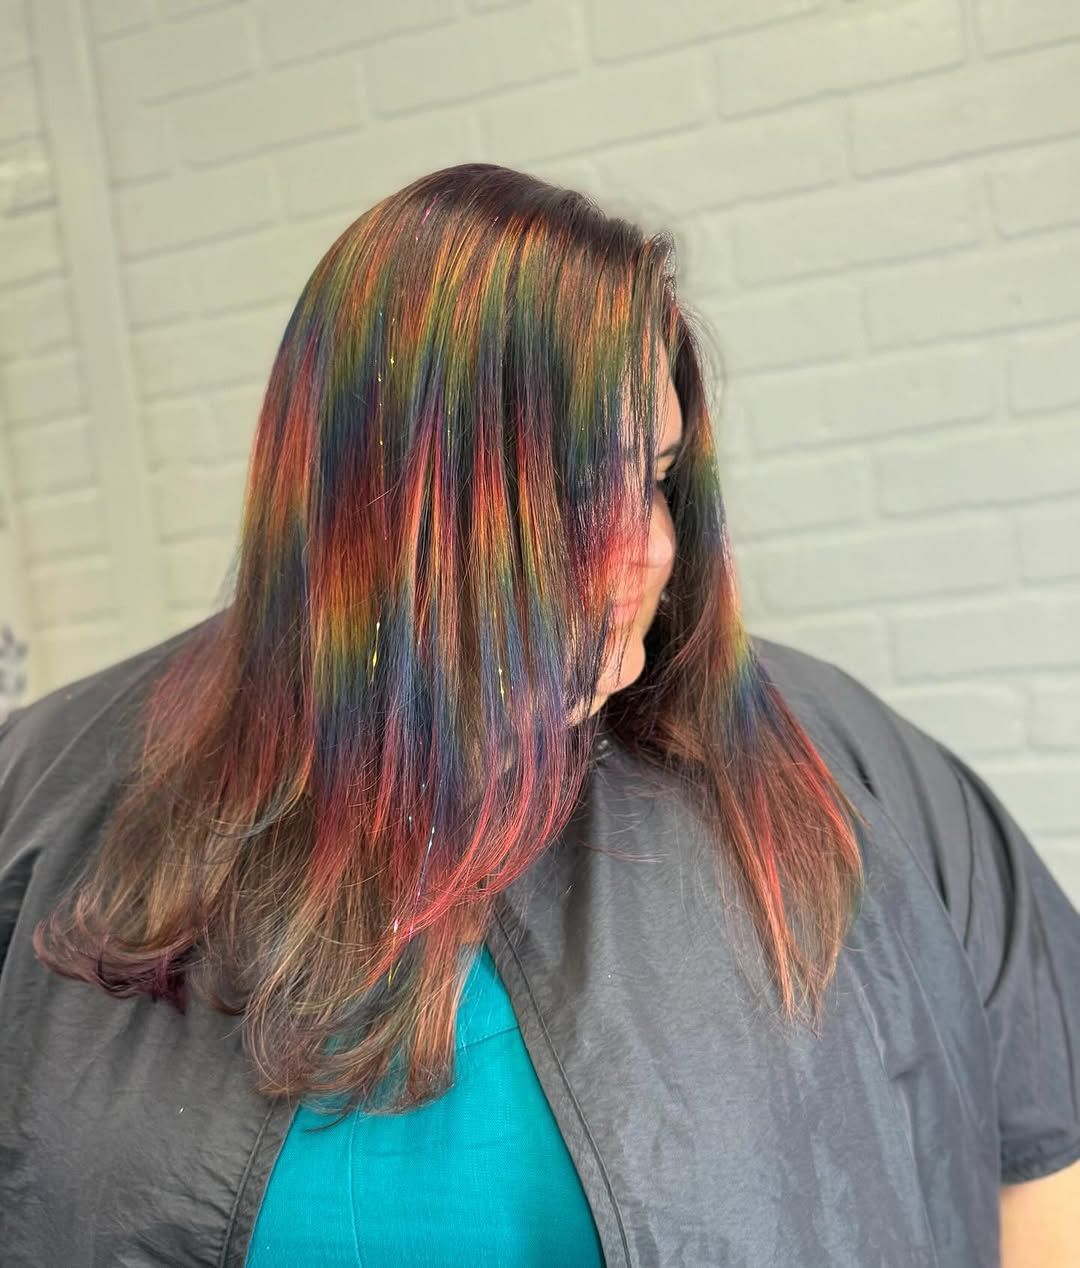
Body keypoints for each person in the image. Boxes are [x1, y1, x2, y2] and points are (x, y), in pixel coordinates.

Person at [1, 162, 1078, 1267]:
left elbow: (1051, 1152)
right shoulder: (49, 790)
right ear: (384, 498)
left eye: (655, 476)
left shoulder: (843, 765)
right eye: (576, 484)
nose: (650, 544)